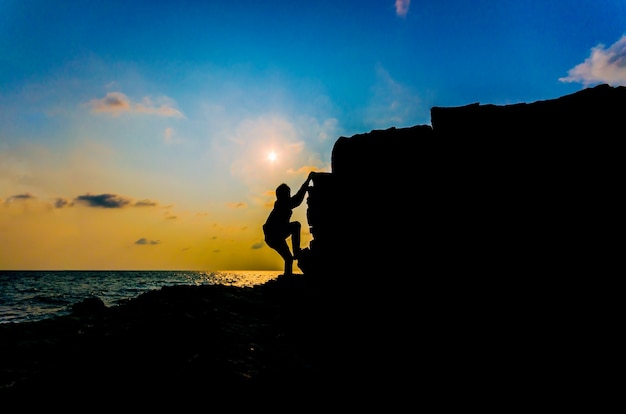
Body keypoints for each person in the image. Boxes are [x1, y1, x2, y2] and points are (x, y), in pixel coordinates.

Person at [263, 171, 315, 276]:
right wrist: (307, 182)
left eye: (288, 194)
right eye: (287, 194)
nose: (289, 196)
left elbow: (296, 199)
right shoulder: (281, 205)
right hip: (274, 236)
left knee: (288, 258)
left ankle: (288, 277)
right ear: (281, 196)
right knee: (296, 225)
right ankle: (296, 251)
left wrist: (306, 184)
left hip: (275, 235)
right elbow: (297, 200)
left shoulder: (283, 203)